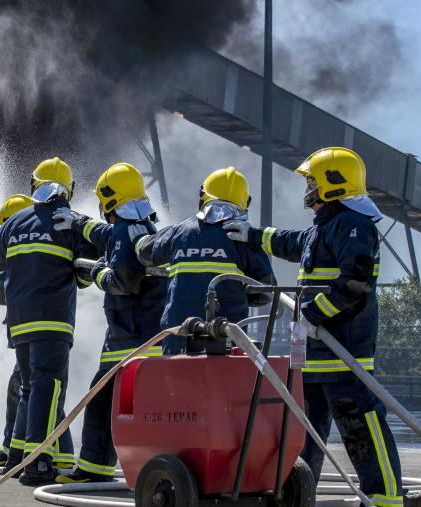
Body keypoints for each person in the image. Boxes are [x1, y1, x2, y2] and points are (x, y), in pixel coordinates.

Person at [223, 147, 402, 507]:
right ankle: (298, 496)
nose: (308, 187)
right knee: (304, 435)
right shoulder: (324, 227)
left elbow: (356, 284)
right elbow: (290, 242)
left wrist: (314, 313)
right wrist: (252, 235)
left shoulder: (354, 225)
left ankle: (384, 498)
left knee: (361, 429)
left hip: (344, 354)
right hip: (314, 355)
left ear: (332, 183)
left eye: (312, 180)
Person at [50, 162, 168, 484]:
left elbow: (125, 282)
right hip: (141, 336)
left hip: (129, 338)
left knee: (100, 403)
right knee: (130, 409)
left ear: (109, 197)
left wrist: (97, 273)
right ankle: (127, 468)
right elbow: (108, 236)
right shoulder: (140, 226)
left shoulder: (125, 231)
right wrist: (79, 223)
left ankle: (93, 468)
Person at [0, 157, 96, 485]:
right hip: (54, 321)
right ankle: (37, 464)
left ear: (34, 185)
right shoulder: (71, 222)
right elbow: (89, 266)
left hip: (19, 322)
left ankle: (16, 459)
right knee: (48, 387)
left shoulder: (14, 222)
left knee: (30, 388)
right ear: (69, 191)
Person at [0, 194, 77, 470]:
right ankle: (20, 450)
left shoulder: (20, 250)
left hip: (29, 328)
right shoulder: (41, 238)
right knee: (41, 390)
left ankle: (23, 453)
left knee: (34, 390)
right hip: (40, 326)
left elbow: (0, 291)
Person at [134, 167, 274, 354]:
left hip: (178, 340)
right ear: (245, 202)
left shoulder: (179, 232)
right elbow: (266, 291)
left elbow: (144, 252)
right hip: (227, 345)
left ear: (203, 196)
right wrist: (236, 292)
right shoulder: (244, 239)